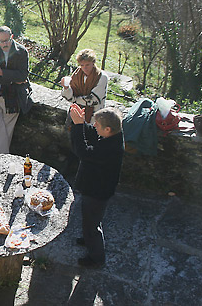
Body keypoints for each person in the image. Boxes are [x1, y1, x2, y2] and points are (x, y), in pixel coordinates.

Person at [69, 103, 124, 267]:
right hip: (96, 187)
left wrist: (79, 126)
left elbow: (83, 153)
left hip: (98, 191)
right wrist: (81, 123)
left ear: (107, 129)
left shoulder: (110, 149)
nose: (94, 126)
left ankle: (96, 258)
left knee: (92, 224)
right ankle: (88, 239)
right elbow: (94, 134)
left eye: (97, 124)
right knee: (89, 219)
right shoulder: (113, 137)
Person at [0, 26, 33, 154]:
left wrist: (2, 73)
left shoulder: (21, 52)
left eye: (7, 40)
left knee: (7, 129)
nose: (5, 44)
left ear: (12, 37)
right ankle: (3, 158)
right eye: (1, 41)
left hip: (14, 96)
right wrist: (12, 78)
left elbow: (23, 76)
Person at [61, 49, 107, 124]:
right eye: (82, 65)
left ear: (93, 63)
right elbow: (69, 96)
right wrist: (66, 88)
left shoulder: (102, 77)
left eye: (87, 65)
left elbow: (94, 99)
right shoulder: (77, 74)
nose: (85, 68)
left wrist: (75, 100)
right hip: (75, 113)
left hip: (93, 116)